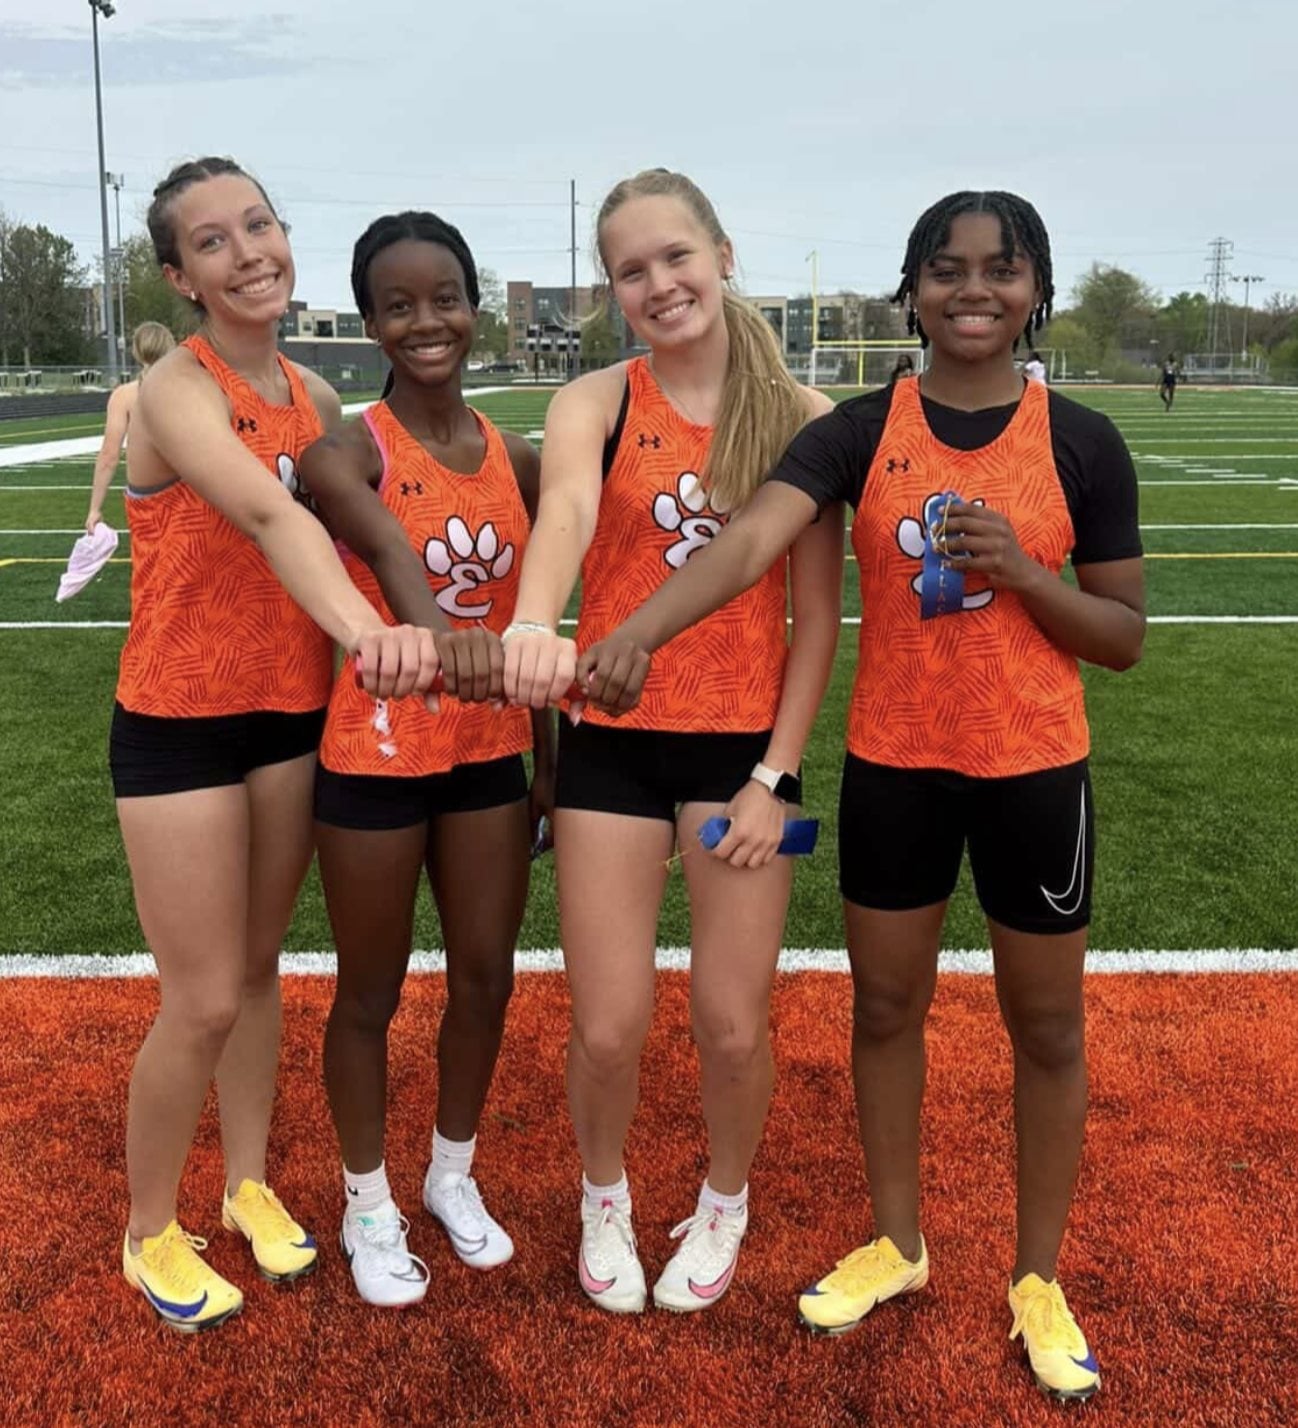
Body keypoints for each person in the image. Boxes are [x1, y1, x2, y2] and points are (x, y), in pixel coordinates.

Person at [577, 190, 1144, 1401]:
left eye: (999, 269)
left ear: (1035, 288)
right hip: (896, 767)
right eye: (945, 269)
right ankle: (896, 1241)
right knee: (884, 1012)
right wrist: (634, 635)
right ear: (912, 288)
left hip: (1033, 772)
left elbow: (1121, 636)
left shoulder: (1082, 439)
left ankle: (1036, 1277)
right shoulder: (854, 430)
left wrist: (1023, 575)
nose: (972, 290)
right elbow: (744, 547)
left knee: (1045, 1028)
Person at [502, 168, 843, 1315]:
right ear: (611, 290)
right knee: (606, 1027)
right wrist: (532, 624)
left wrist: (773, 777)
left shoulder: (802, 421)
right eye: (630, 270)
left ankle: (722, 1201)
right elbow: (562, 516)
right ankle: (601, 1196)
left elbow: (812, 621)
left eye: (675, 257)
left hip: (740, 758)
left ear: (723, 254)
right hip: (611, 749)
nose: (658, 284)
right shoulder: (594, 402)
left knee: (732, 1025)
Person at [114, 157, 438, 1332]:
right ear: (179, 277)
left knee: (259, 972)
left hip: (288, 719)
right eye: (213, 241)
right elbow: (263, 511)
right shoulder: (173, 389)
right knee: (201, 996)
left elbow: (370, 525)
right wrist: (371, 634)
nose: (248, 251)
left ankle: (246, 1182)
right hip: (178, 726)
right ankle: (149, 1230)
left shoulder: (316, 395)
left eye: (258, 224)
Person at [298, 212, 553, 1308]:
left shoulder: (518, 457)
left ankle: (451, 1173)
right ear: (370, 324)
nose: (426, 321)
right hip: (378, 749)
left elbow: (534, 614)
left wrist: (550, 759)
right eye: (397, 305)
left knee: (486, 974)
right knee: (372, 989)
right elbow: (391, 549)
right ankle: (367, 1202)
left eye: (444, 297)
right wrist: (441, 639)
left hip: (493, 749)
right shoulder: (345, 451)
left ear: (475, 305)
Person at [85, 322, 177, 534]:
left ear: (136, 352)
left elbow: (109, 456)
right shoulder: (188, 389)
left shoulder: (124, 396)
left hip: (145, 494)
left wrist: (95, 509)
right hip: (184, 490)